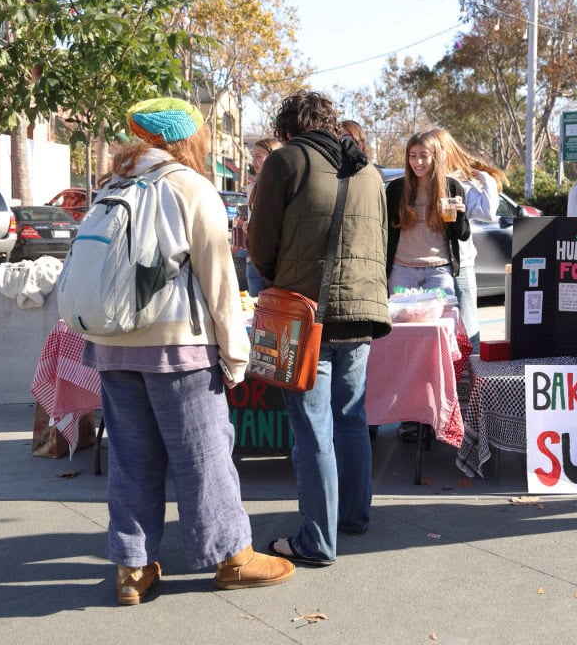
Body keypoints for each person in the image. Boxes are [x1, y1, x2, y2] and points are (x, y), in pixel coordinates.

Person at [80, 97, 294, 606]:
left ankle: (132, 567)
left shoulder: (112, 186)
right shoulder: (191, 187)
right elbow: (219, 281)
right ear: (187, 138)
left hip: (112, 345)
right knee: (204, 457)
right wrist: (236, 354)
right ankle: (232, 558)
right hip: (178, 347)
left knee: (131, 460)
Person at [248, 90, 391, 565]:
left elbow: (260, 245)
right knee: (351, 419)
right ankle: (353, 516)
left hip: (305, 312)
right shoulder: (370, 170)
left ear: (289, 130)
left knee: (312, 429)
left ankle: (316, 540)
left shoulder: (286, 160)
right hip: (363, 311)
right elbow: (382, 242)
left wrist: (278, 281)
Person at [428, 128, 506, 351]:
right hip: (427, 265)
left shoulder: (460, 183)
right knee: (434, 325)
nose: (431, 157)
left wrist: (485, 178)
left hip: (460, 264)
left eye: (436, 151)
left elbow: (487, 212)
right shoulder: (422, 182)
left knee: (467, 323)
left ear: (447, 151)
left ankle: (472, 369)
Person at [385, 131, 471, 294]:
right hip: (401, 270)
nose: (417, 162)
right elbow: (385, 230)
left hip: (439, 270)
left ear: (435, 156)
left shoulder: (451, 187)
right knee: (402, 311)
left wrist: (460, 215)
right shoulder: (397, 188)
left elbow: (463, 234)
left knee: (442, 311)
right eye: (413, 156)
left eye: (424, 156)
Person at [243, 137, 281, 297]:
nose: (253, 161)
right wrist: (248, 226)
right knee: (254, 308)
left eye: (258, 156)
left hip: (276, 264)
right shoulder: (252, 188)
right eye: (253, 156)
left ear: (273, 156)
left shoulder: (282, 187)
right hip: (253, 260)